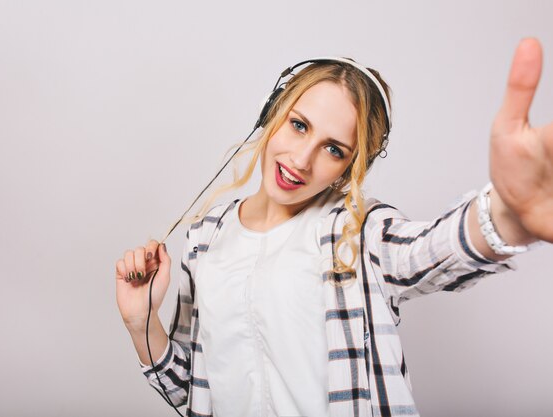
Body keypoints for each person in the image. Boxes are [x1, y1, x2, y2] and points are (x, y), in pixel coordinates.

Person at [115, 38, 551, 417]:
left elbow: (430, 251)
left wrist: (508, 215)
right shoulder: (206, 238)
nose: (302, 160)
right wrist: (142, 322)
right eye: (299, 125)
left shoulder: (357, 232)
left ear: (350, 168)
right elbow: (194, 393)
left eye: (334, 149)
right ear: (273, 113)